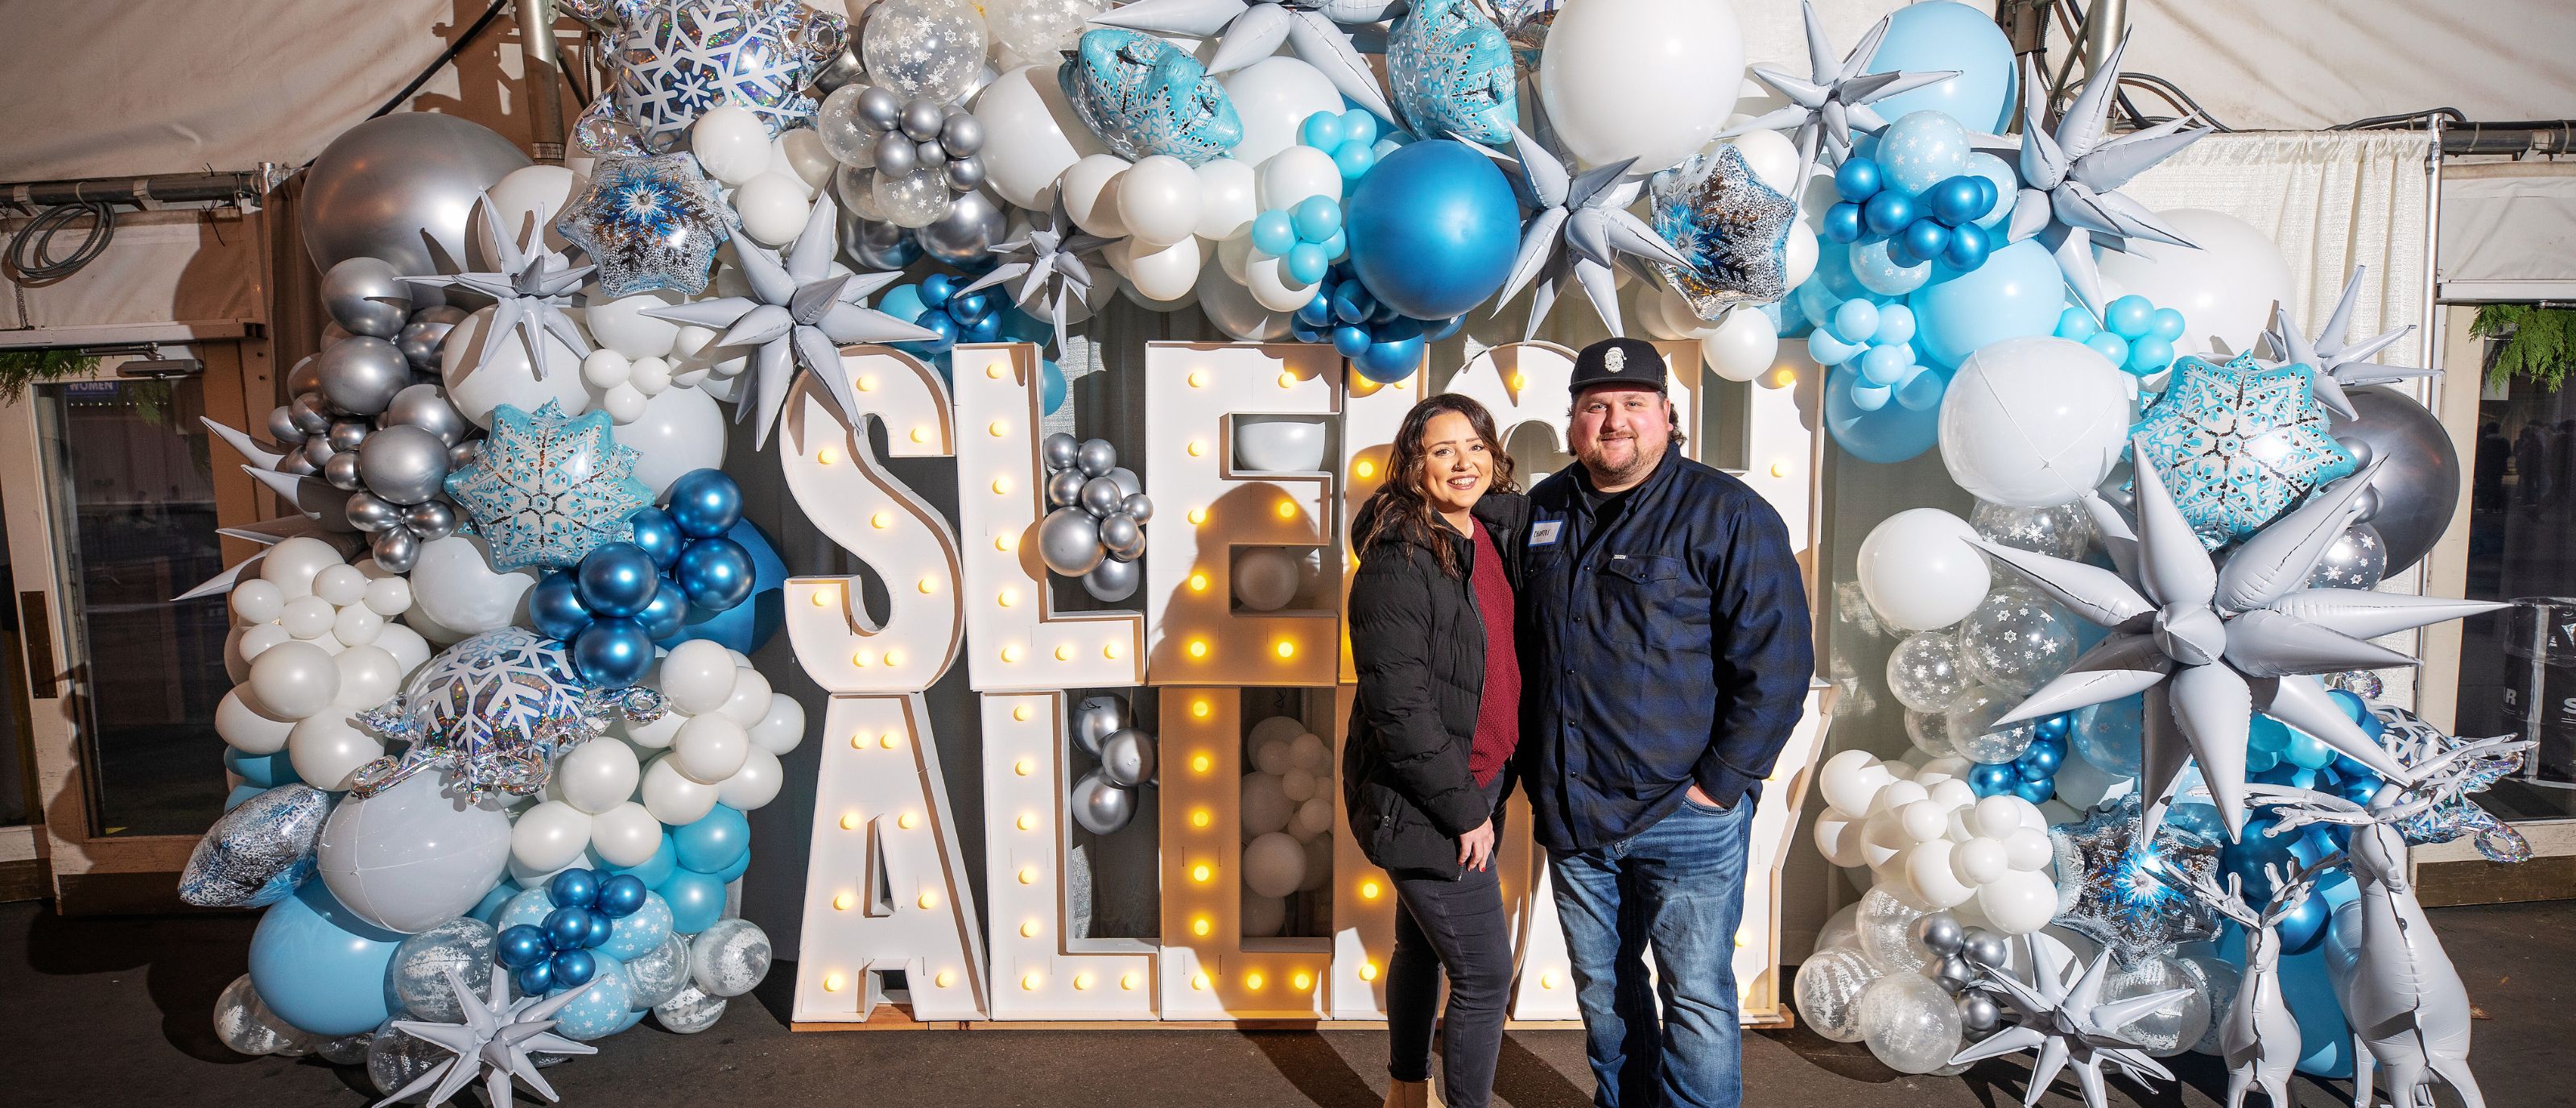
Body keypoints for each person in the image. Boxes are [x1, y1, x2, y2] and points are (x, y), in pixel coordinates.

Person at [1517, 337, 1814, 1108]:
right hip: (1575, 812)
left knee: (1697, 999)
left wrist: (1719, 786)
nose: (1614, 421)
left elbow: (1778, 663)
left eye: (1633, 404)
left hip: (1685, 813)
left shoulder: (1728, 514)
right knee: (1605, 998)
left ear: (1667, 416)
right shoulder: (1543, 510)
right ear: (1573, 421)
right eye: (1596, 405)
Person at [1344, 394, 1529, 1108]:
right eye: (1442, 449)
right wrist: (1463, 810)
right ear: (1412, 465)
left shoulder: (1484, 534)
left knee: (1420, 946)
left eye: (1476, 446)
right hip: (1429, 797)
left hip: (1480, 779)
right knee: (1484, 975)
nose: (1463, 462)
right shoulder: (1398, 558)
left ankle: (1405, 1092)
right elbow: (1400, 705)